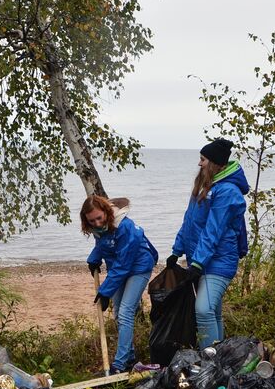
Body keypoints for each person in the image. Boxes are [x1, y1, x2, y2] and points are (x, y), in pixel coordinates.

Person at [168, 138, 248, 348]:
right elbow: (189, 221)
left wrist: (197, 263)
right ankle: (220, 355)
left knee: (203, 310)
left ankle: (209, 361)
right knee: (214, 312)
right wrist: (177, 251)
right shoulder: (205, 186)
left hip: (219, 261)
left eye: (203, 159)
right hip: (200, 259)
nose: (199, 163)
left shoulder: (228, 191)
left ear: (215, 163)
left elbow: (213, 230)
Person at [82, 195, 158, 373]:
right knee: (117, 314)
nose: (97, 223)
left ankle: (119, 365)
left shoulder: (125, 226)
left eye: (99, 218)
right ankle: (130, 359)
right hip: (118, 267)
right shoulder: (98, 228)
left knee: (125, 312)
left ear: (106, 213)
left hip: (139, 266)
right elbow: (103, 245)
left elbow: (124, 264)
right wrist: (94, 259)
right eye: (92, 221)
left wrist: (105, 291)